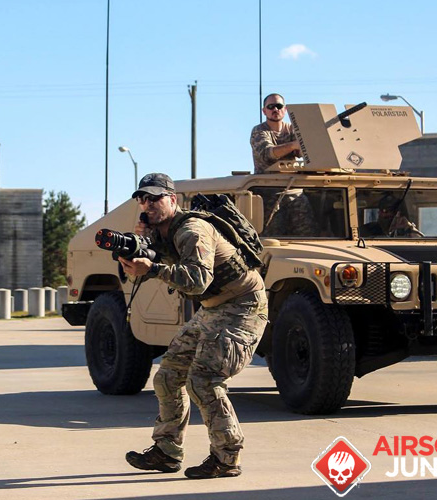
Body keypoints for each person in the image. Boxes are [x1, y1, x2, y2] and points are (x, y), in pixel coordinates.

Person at [119, 173, 268, 479]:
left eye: (155, 198)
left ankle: (226, 458)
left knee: (204, 380)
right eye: (143, 199)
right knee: (168, 377)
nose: (148, 204)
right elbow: (139, 274)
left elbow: (198, 281)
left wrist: (154, 268)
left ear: (172, 199)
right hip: (213, 308)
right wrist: (137, 251)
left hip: (243, 306)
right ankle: (167, 451)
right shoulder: (158, 234)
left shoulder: (192, 230)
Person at [250, 93, 301, 173]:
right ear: (264, 111)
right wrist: (293, 145)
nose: (275, 109)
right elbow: (267, 154)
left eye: (279, 106)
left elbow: (303, 152)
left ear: (285, 109)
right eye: (271, 107)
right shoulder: (259, 130)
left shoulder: (293, 129)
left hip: (292, 178)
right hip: (266, 179)